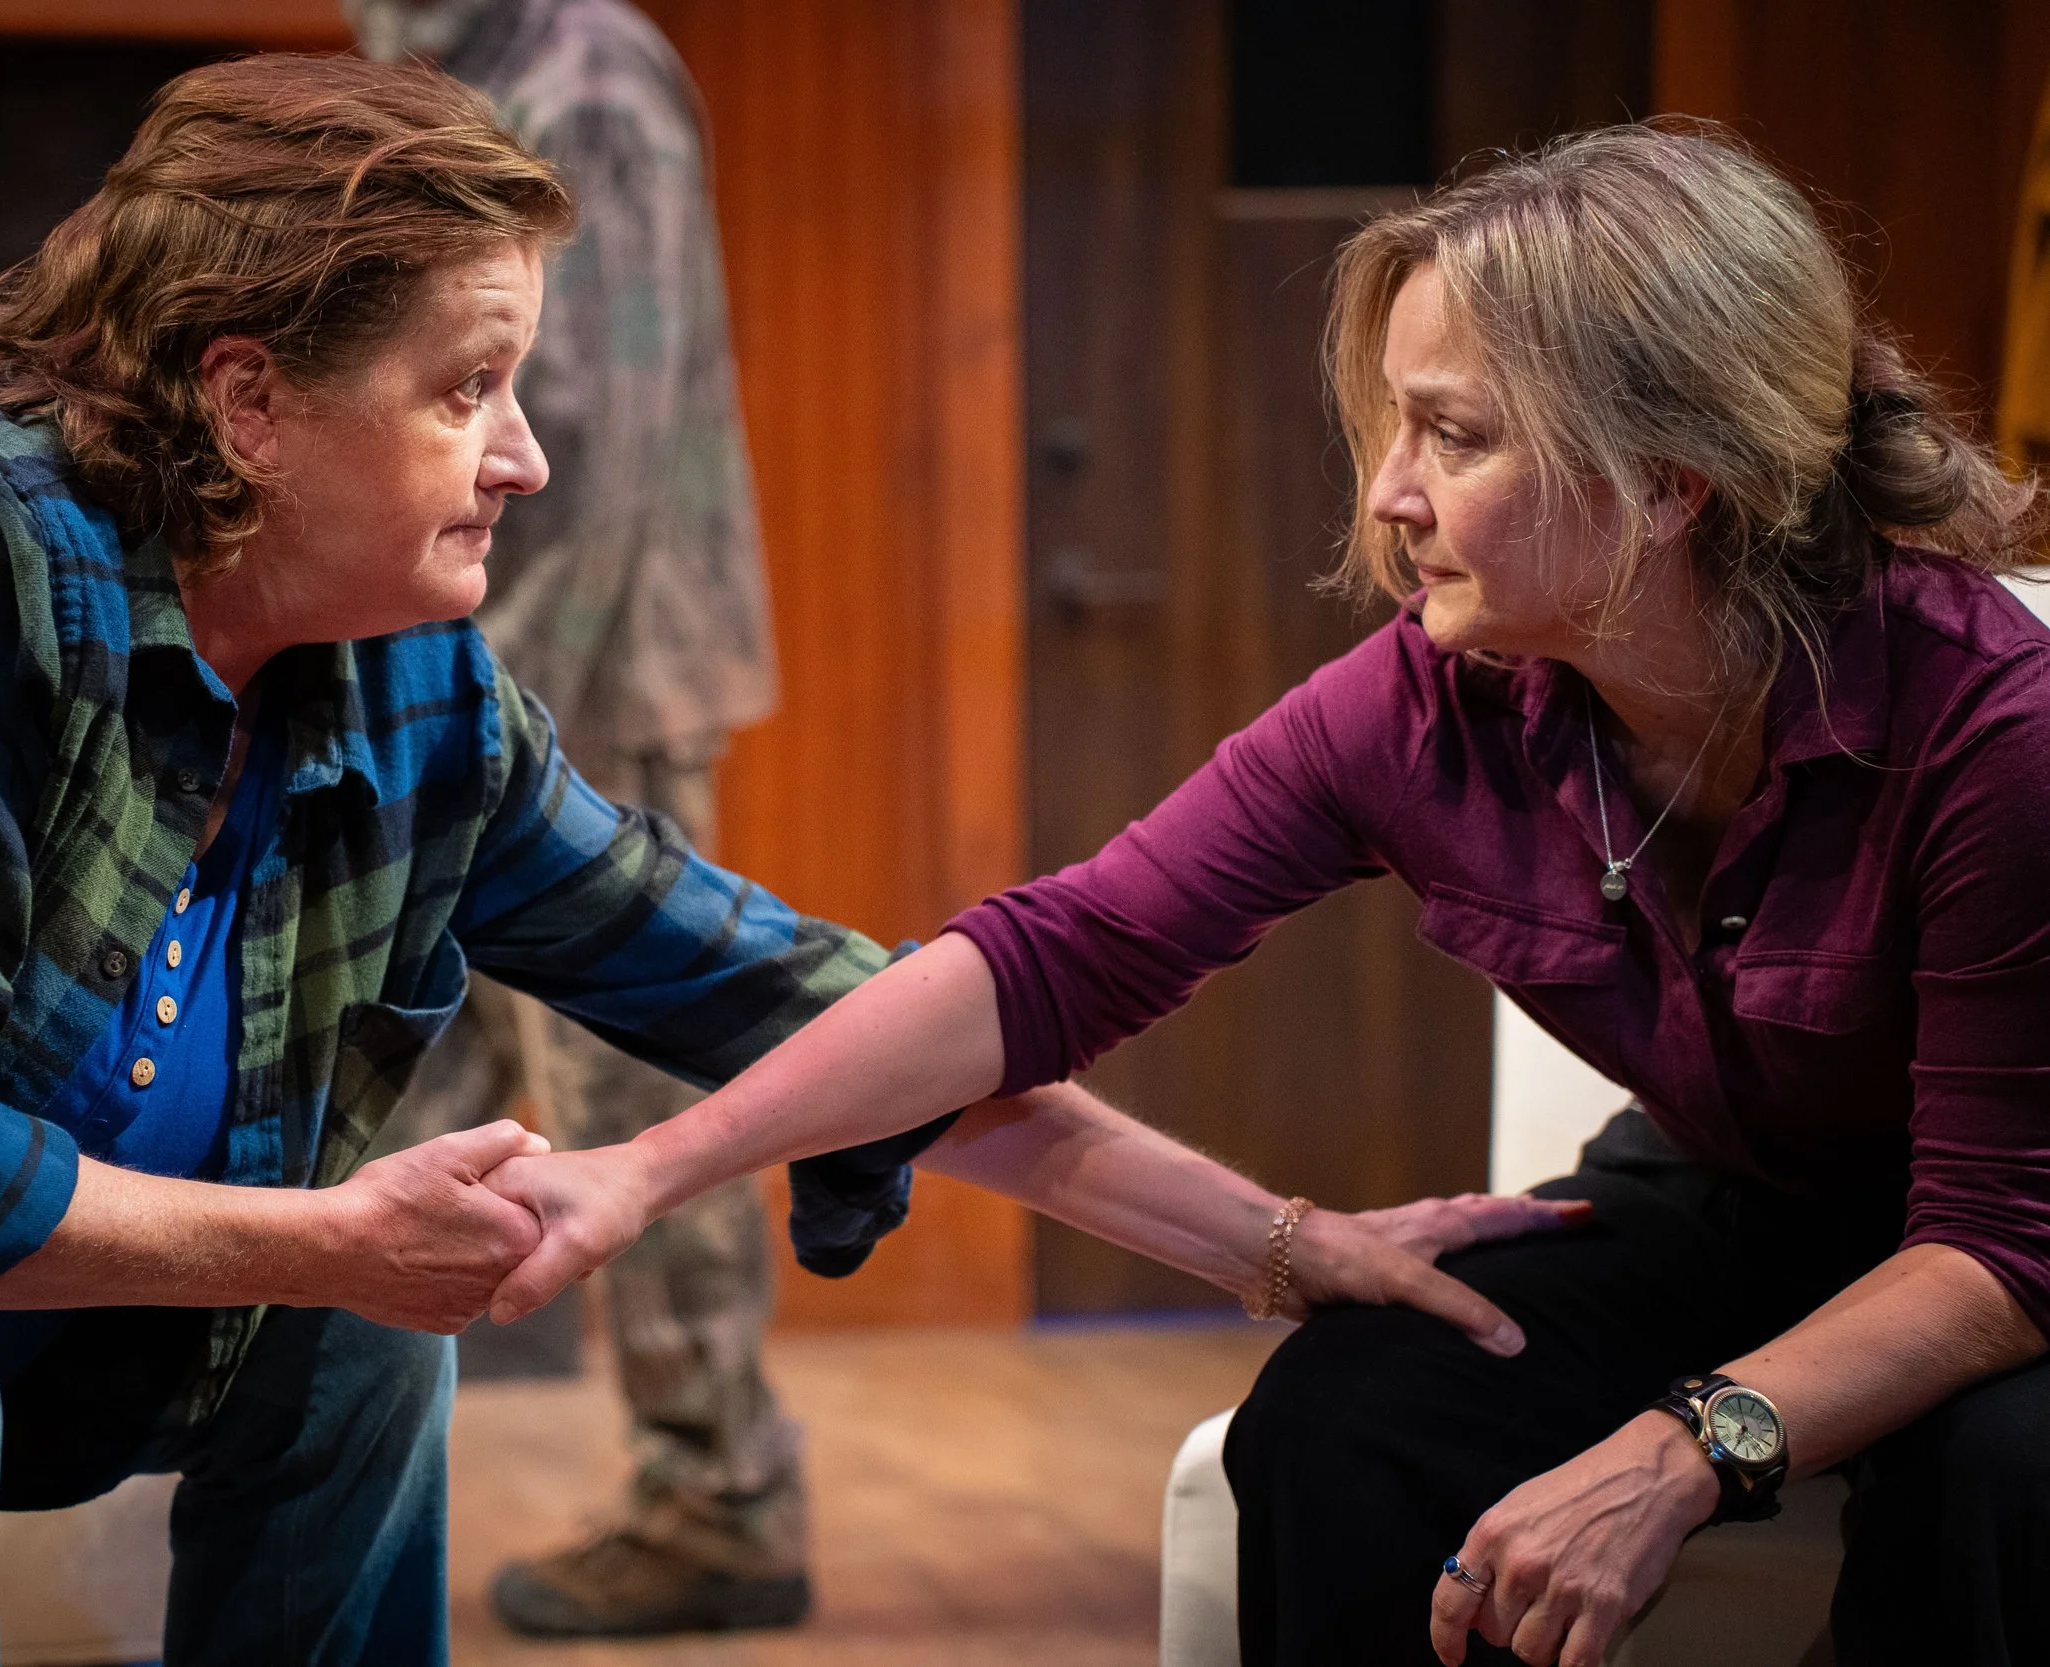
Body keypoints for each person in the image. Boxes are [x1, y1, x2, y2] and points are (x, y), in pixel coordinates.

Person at [0, 53, 1572, 1666]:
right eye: (465, 390)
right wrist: (312, 1238)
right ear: (244, 400)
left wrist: (1276, 1245)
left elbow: (805, 1001)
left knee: (351, 1329)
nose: (523, 454)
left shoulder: (402, 681)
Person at [475, 122, 2050, 1667]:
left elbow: (1994, 1241)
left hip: (2000, 1262)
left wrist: (1686, 1443)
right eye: (1394, 426)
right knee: (1348, 1409)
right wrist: (644, 1171)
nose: (1389, 495)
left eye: (1458, 434)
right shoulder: (1436, 701)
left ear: (1671, 480)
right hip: (1748, 1202)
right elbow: (1059, 956)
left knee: (1988, 1478)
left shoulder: (1995, 727)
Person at [347, 0, 806, 1636]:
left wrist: (484, 729)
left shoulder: (583, 73)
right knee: (403, 1098)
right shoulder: (479, 65)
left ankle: (722, 1498)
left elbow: (583, 439)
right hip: (503, 675)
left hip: (582, 685)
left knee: (635, 1103)